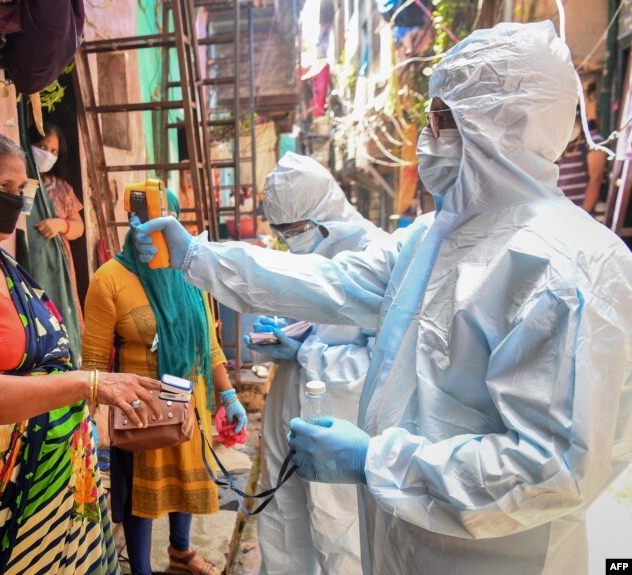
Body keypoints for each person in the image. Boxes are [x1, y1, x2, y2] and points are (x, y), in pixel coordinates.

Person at [133, 22, 632, 574]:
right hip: (398, 539)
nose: (427, 135)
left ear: (498, 125)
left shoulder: (568, 268)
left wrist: (378, 459)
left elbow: (552, 469)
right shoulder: (433, 239)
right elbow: (329, 284)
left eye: (441, 118)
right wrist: (196, 257)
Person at [0, 128, 163, 574]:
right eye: (5, 188)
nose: (18, 201)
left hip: (61, 484)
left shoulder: (4, 264)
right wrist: (87, 383)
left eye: (22, 190)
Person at [82, 190, 247, 575]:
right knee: (142, 494)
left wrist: (229, 394)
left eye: (165, 215)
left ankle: (181, 552)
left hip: (190, 397)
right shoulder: (110, 278)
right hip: (140, 406)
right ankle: (140, 569)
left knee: (185, 483)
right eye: (145, 217)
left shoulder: (191, 273)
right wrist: (91, 417)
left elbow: (209, 344)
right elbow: (92, 360)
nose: (155, 227)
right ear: (131, 223)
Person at [245, 153, 383, 575]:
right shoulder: (307, 252)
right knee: (282, 520)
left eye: (294, 229)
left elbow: (378, 364)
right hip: (289, 401)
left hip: (340, 421)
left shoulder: (376, 254)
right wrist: (280, 332)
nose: (288, 239)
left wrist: (306, 353)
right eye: (279, 230)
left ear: (324, 211)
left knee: (339, 531)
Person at [25, 123, 85, 360]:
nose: (47, 154)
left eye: (53, 151)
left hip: (59, 267)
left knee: (61, 312)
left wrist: (62, 225)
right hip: (29, 262)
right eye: (41, 147)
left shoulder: (60, 188)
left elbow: (79, 227)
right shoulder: (21, 183)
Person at [556, 110, 607, 213]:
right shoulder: (559, 143)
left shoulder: (593, 141)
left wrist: (584, 212)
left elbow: (596, 178)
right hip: (561, 213)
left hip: (581, 214)